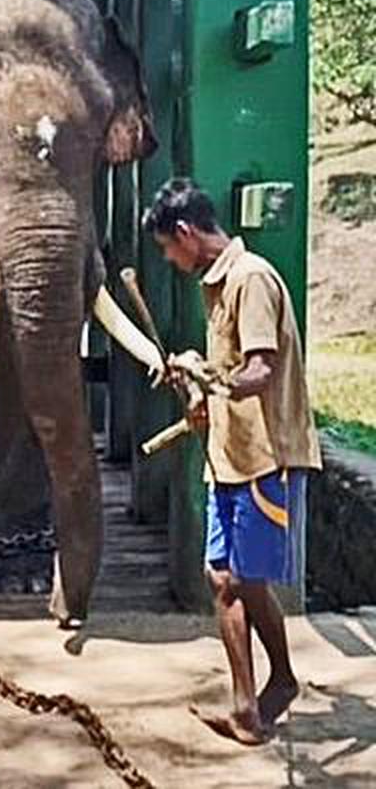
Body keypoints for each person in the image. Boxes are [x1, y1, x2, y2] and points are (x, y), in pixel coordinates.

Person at [143, 177, 322, 745]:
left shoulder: (252, 280)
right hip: (228, 457)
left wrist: (208, 377)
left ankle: (279, 683)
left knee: (244, 579)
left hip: (265, 458)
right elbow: (226, 375)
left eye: (169, 250)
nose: (171, 262)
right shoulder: (216, 285)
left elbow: (259, 371)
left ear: (185, 233)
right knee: (223, 578)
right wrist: (195, 386)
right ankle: (249, 705)